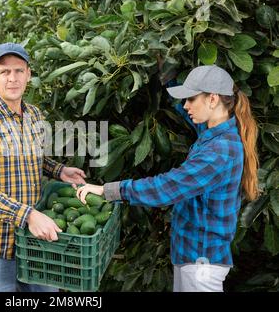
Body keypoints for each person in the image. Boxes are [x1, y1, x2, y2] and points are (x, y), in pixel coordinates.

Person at [76, 65, 259, 292]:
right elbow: (187, 112)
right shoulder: (214, 132)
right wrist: (166, 74)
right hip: (192, 256)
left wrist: (107, 191)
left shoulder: (219, 152)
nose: (185, 106)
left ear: (212, 100)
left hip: (201, 263)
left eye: (191, 99)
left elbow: (167, 187)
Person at [0, 42, 87, 292]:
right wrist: (28, 215)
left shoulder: (35, 115)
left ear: (28, 75)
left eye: (19, 71)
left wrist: (59, 171)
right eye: (4, 72)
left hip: (36, 243)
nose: (12, 78)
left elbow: (35, 158)